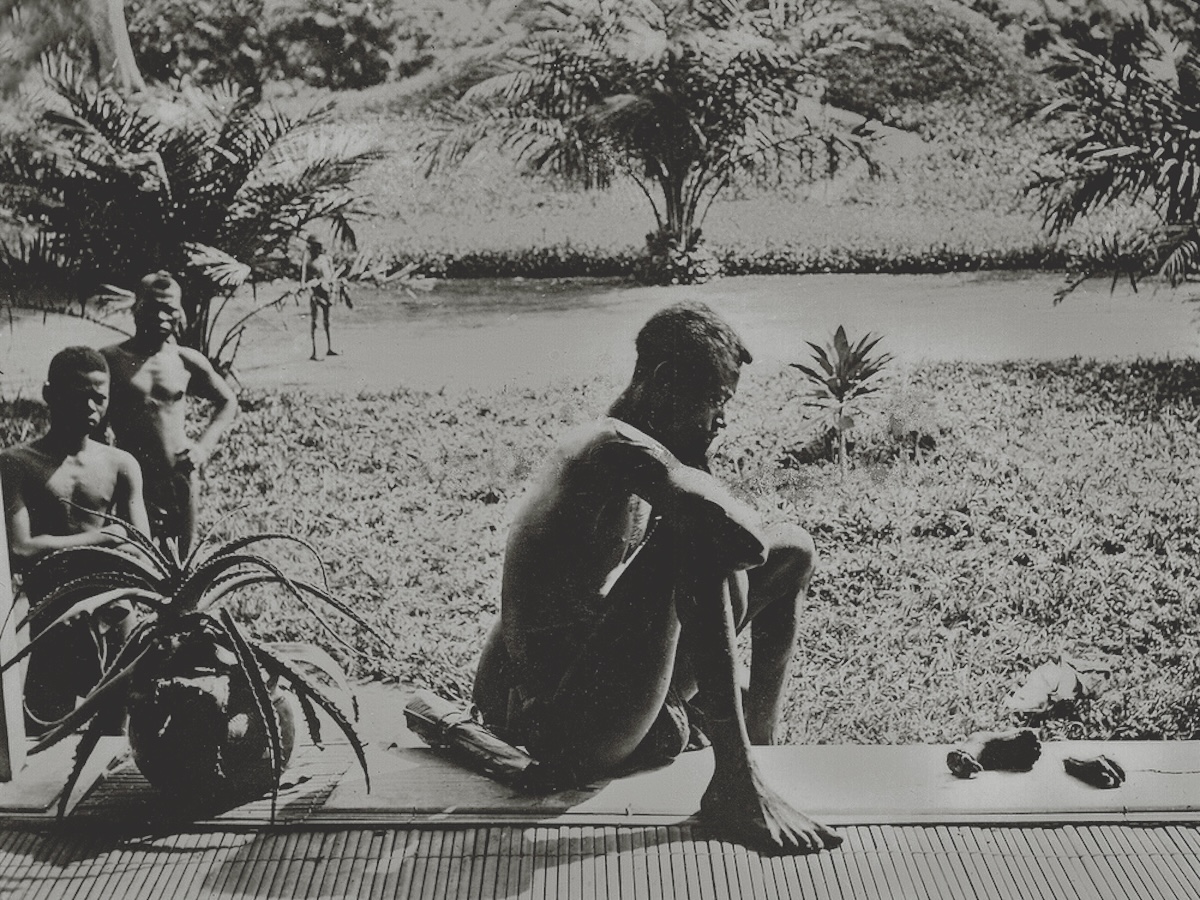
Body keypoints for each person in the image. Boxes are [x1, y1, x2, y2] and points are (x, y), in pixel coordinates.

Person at [472, 301, 841, 855]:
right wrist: (696, 477)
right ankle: (735, 780)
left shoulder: (642, 453)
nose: (723, 420)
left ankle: (758, 751)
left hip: (609, 695)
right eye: (717, 401)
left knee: (794, 552)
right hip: (560, 725)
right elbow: (733, 535)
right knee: (697, 534)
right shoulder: (608, 446)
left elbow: (756, 551)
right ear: (665, 382)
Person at [1, 346, 150, 728]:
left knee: (116, 737)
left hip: (114, 618)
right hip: (53, 622)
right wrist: (100, 540)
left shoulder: (120, 465)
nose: (90, 407)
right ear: (50, 394)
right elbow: (20, 548)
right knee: (44, 736)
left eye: (99, 397)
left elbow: (142, 548)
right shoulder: (17, 464)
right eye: (77, 395)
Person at [101, 271, 238, 558]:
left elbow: (227, 401)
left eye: (170, 309)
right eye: (152, 307)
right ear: (136, 307)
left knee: (183, 564)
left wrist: (202, 448)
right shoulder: (110, 360)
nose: (161, 316)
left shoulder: (185, 361)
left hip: (179, 477)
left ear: (180, 313)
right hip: (132, 478)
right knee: (134, 557)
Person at [302, 234, 351, 361]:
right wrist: (312, 285)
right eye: (314, 247)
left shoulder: (326, 259)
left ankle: (329, 348)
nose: (316, 249)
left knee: (327, 321)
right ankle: (314, 351)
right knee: (315, 321)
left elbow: (331, 275)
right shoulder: (309, 262)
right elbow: (305, 281)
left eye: (317, 247)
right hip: (315, 293)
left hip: (326, 291)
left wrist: (334, 283)